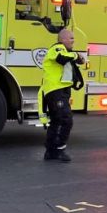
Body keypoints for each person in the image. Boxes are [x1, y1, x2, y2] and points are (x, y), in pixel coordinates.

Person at [39, 29, 85, 162]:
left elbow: (72, 61)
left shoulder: (66, 51)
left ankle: (51, 151)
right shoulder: (57, 48)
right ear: (62, 39)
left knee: (57, 121)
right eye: (71, 38)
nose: (73, 41)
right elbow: (61, 59)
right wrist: (76, 56)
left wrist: (78, 58)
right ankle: (59, 149)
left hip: (60, 90)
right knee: (66, 119)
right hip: (55, 90)